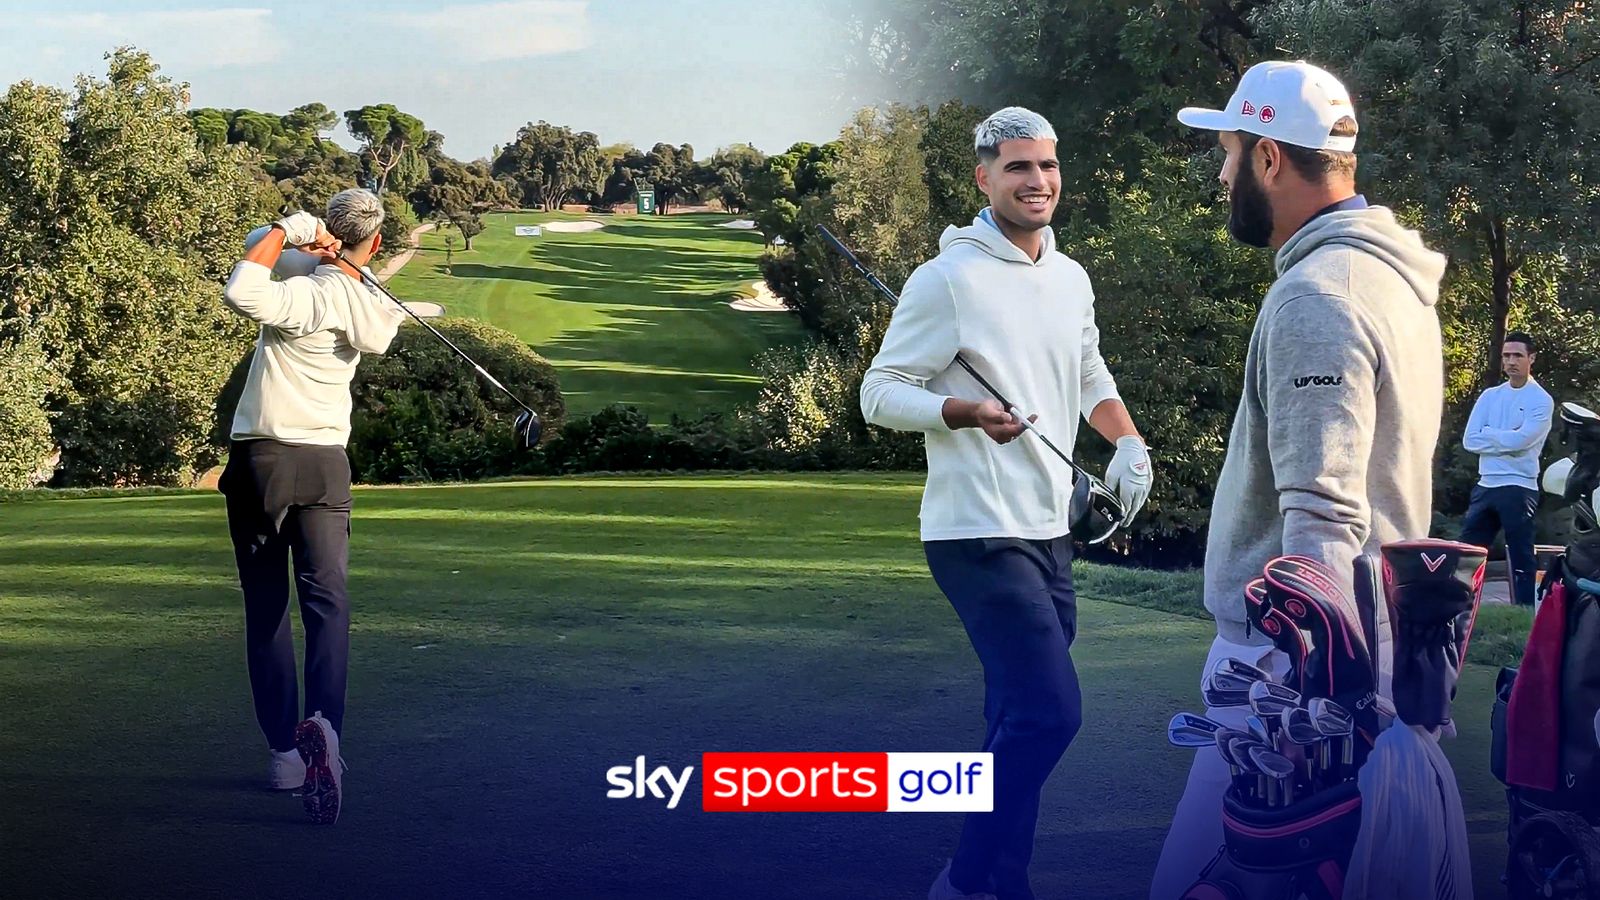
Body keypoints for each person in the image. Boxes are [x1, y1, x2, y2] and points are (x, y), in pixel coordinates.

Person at [1149, 61, 1448, 896]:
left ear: (1271, 159)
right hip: (1363, 655)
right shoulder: (1391, 279)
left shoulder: (1319, 293)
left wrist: (1310, 689)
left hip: (1293, 669)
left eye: (1230, 152)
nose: (1221, 173)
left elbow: (1323, 512)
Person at [859, 106, 1153, 900]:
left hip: (1050, 529)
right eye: (1019, 167)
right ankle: (964, 878)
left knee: (1012, 721)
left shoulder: (1070, 276)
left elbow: (1091, 375)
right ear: (984, 177)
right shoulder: (944, 279)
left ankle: (1002, 882)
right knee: (1050, 715)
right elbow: (879, 393)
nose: (1038, 181)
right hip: (975, 532)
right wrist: (962, 412)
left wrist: (1128, 444)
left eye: (1049, 166)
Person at [219, 188, 406, 824]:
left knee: (269, 609)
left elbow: (244, 280)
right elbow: (283, 260)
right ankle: (325, 725)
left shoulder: (300, 291)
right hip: (327, 465)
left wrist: (286, 227)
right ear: (375, 244)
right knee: (328, 603)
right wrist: (330, 249)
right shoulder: (373, 305)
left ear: (330, 230)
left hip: (264, 460)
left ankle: (283, 756)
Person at [1460, 331, 1553, 606]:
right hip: (1486, 485)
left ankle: (1524, 612)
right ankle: (1460, 610)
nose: (1511, 361)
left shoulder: (1540, 400)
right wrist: (1506, 436)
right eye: (1506, 355)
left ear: (1531, 358)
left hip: (1519, 486)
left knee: (1522, 555)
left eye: (1518, 355)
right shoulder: (1490, 396)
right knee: (1467, 553)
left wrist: (1489, 433)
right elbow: (1469, 440)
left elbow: (1523, 441)